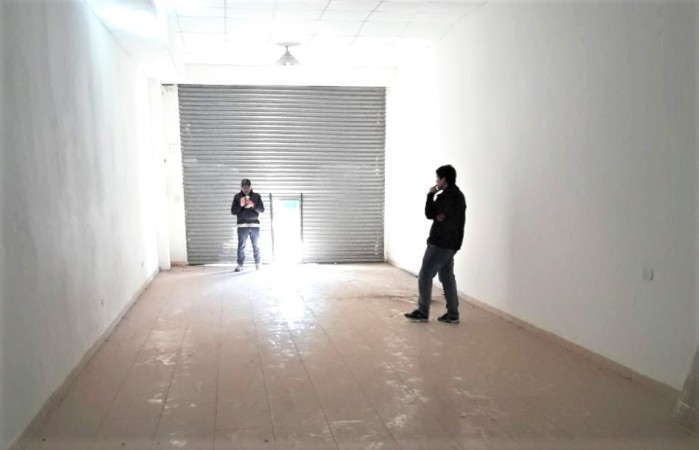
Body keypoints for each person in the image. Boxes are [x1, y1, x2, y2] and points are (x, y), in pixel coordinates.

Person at [405, 164, 467, 323]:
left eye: (438, 178)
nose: (436, 181)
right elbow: (436, 214)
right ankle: (453, 314)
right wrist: (436, 214)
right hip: (452, 244)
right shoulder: (459, 196)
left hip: (440, 243)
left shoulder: (445, 197)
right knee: (447, 277)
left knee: (425, 274)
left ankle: (422, 312)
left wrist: (430, 194)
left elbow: (428, 213)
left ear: (444, 179)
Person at [231, 178, 265, 272]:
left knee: (256, 245)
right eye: (244, 187)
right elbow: (233, 211)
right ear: (241, 187)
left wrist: (253, 205)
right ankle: (240, 265)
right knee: (241, 246)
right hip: (242, 225)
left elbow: (262, 209)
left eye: (247, 187)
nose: (246, 189)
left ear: (250, 187)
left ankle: (258, 263)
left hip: (255, 225)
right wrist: (240, 205)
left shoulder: (256, 196)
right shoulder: (237, 197)